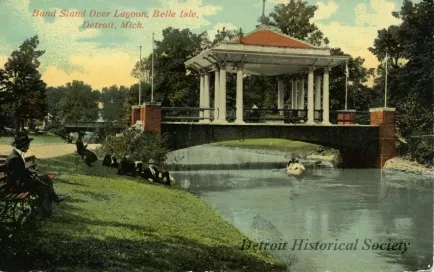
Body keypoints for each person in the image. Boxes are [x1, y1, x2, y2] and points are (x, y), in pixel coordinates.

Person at [6, 132, 63, 217]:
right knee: (46, 179)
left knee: (44, 185)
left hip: (21, 182)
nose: (28, 147)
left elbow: (21, 171)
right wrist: (33, 176)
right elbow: (18, 175)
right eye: (27, 145)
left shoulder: (16, 154)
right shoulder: (14, 158)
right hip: (17, 186)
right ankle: (53, 200)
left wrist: (31, 173)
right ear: (22, 146)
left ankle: (48, 211)